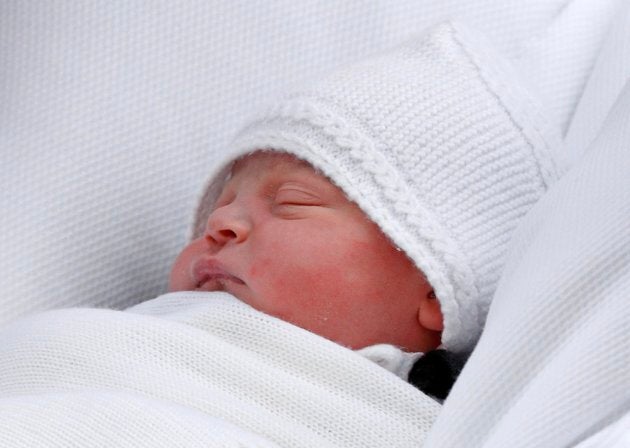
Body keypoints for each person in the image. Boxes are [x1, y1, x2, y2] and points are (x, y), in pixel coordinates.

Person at [169, 21, 564, 399]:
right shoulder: (147, 327)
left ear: (435, 293)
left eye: (292, 202)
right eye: (220, 204)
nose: (220, 223)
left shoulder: (395, 426)